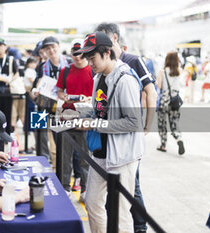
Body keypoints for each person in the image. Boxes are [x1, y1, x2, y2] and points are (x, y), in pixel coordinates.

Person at [74, 32, 144, 233]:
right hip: (101, 153)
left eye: (92, 57)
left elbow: (133, 122)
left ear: (106, 53)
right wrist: (75, 113)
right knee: (93, 203)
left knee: (120, 215)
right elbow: (100, 110)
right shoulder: (99, 78)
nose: (89, 63)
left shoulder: (125, 79)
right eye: (87, 58)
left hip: (122, 156)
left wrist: (94, 124)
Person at [96, 22, 155, 233]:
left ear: (112, 40)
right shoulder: (100, 73)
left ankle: (140, 227)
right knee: (118, 197)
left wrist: (147, 125)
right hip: (107, 147)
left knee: (131, 192)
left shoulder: (131, 64)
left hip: (126, 146)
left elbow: (151, 93)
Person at [56, 39, 93, 200]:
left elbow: (100, 94)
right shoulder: (65, 70)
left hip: (86, 115)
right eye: (74, 53)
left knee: (85, 155)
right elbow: (59, 91)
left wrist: (89, 99)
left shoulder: (93, 70)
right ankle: (65, 186)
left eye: (80, 53)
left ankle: (85, 189)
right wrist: (64, 97)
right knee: (65, 155)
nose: (77, 57)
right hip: (68, 115)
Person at [156, 52, 185, 155]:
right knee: (174, 123)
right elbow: (182, 85)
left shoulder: (162, 71)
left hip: (164, 101)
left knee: (162, 124)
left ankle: (163, 145)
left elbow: (159, 86)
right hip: (175, 101)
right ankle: (179, 139)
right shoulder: (180, 71)